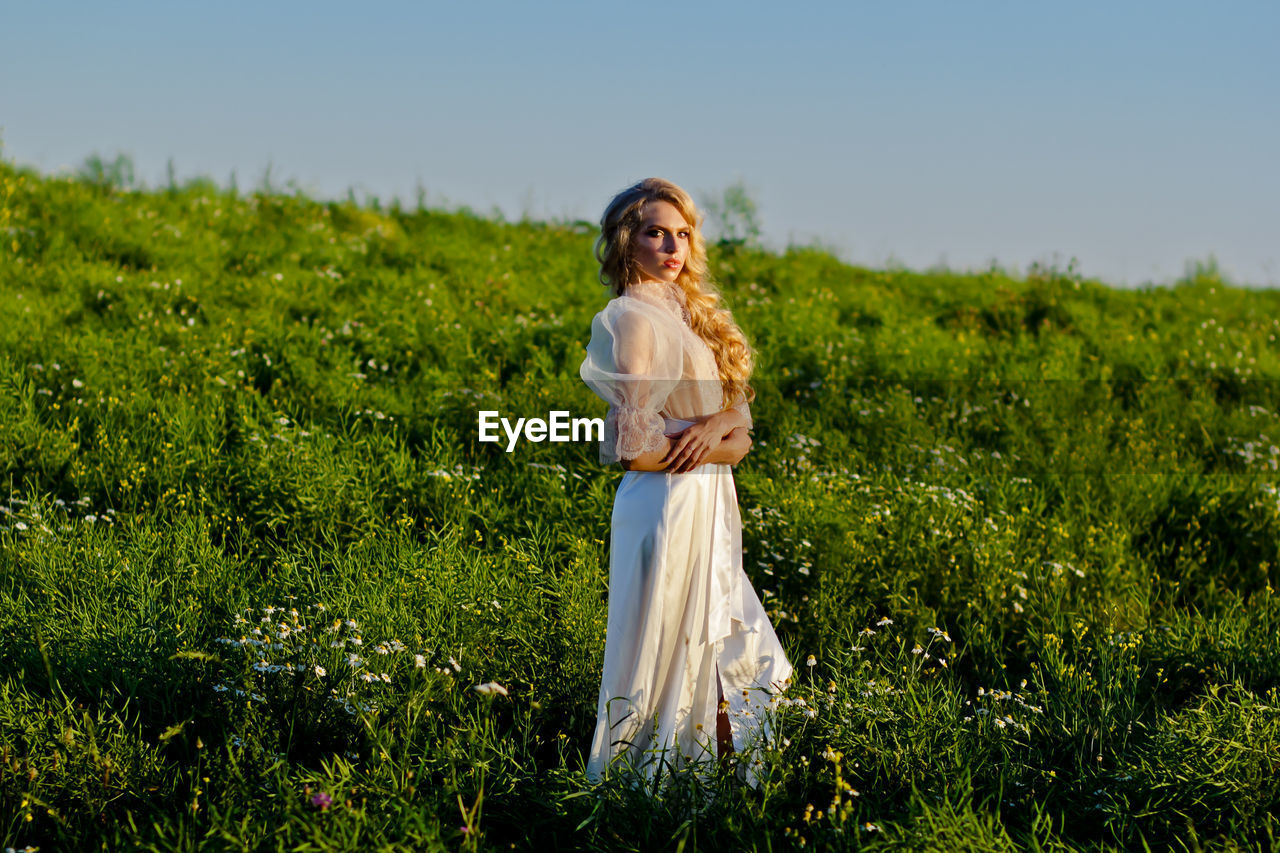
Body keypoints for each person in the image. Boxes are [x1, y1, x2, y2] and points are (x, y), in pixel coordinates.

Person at [579, 178, 793, 788]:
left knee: (733, 649)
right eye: (655, 232)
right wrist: (711, 442)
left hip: (708, 501)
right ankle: (639, 796)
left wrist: (722, 421)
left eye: (681, 234)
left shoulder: (688, 313)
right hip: (666, 507)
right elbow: (629, 451)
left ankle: (712, 793)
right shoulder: (631, 319)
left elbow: (742, 438)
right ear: (628, 241)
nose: (672, 246)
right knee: (662, 650)